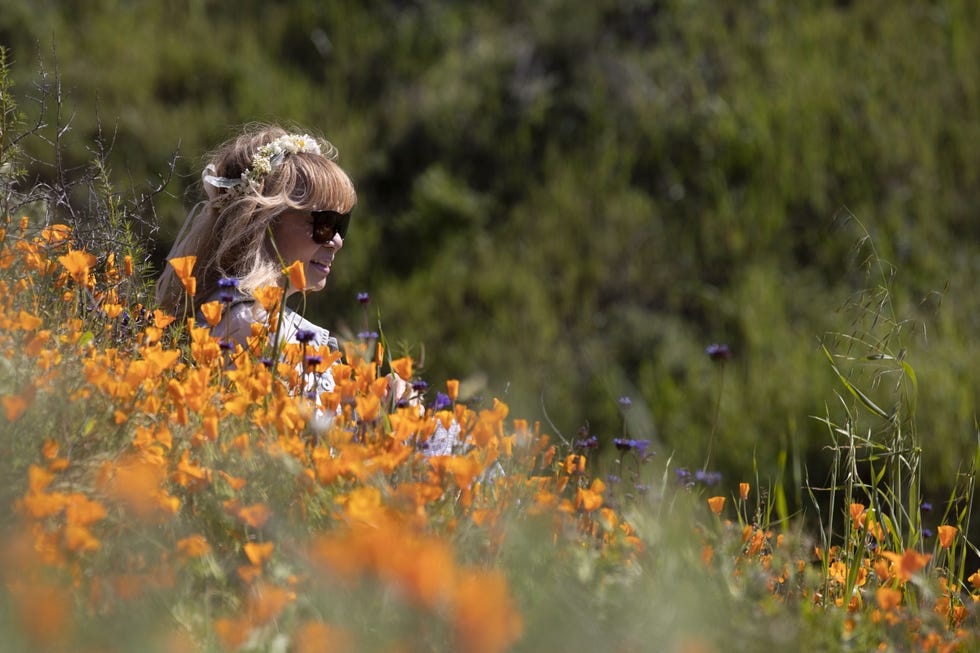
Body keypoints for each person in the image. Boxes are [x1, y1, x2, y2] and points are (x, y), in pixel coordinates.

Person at [155, 124, 356, 395]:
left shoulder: (262, 319)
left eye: (341, 225)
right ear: (266, 222)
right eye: (325, 223)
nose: (337, 241)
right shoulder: (247, 324)